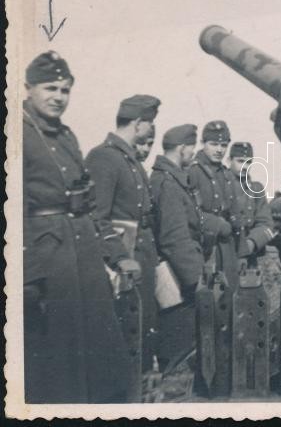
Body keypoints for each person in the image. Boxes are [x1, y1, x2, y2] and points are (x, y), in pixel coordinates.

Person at [22, 51, 133, 403]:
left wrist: (117, 255)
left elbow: (91, 203)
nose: (58, 97)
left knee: (100, 357)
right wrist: (28, 277)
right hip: (49, 260)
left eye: (65, 90)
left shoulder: (67, 136)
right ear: (28, 88)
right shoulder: (18, 133)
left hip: (83, 255)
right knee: (58, 363)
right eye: (50, 88)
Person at [85, 94, 162, 367]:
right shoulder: (104, 157)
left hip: (141, 257)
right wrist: (118, 257)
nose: (151, 129)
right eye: (150, 123)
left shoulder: (129, 159)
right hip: (122, 263)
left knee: (142, 326)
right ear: (139, 123)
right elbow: (96, 215)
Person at [150, 124, 206, 365]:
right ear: (182, 148)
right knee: (180, 351)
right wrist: (198, 280)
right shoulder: (169, 183)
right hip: (177, 280)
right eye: (191, 148)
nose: (193, 153)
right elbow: (174, 238)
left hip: (178, 275)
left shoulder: (169, 179)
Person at [187, 121, 242, 288]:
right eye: (213, 144)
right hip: (203, 247)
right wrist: (216, 224)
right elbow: (187, 212)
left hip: (226, 249)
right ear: (202, 143)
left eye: (224, 145)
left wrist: (242, 253)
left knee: (230, 294)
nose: (219, 150)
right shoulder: (192, 171)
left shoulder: (226, 174)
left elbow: (235, 215)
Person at [228, 142, 277, 264]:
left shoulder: (256, 189)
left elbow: (266, 223)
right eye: (240, 161)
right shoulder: (221, 185)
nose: (244, 166)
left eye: (248, 162)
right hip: (227, 251)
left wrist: (251, 243)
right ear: (229, 160)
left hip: (251, 252)